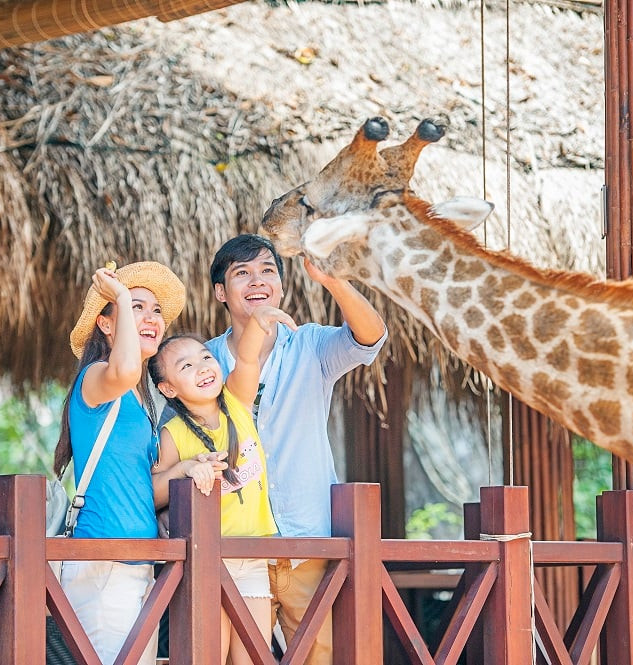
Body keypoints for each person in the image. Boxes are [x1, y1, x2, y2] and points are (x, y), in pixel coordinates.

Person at [206, 234, 387, 664]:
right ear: (220, 292)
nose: (258, 281)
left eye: (268, 271)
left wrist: (335, 281)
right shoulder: (204, 361)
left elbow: (371, 338)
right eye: (242, 273)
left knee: (320, 656)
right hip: (233, 548)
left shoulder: (310, 345)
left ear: (282, 287)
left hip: (307, 540)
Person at [52, 260, 224, 665]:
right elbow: (126, 367)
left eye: (156, 311)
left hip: (137, 562)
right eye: (136, 309)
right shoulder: (98, 378)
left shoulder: (139, 401)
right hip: (104, 562)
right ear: (106, 325)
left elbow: (142, 484)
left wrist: (182, 469)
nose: (151, 318)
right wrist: (120, 294)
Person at [149, 303, 296, 665]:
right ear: (168, 388)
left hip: (253, 556)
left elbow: (246, 361)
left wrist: (257, 327)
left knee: (253, 658)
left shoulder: (236, 402)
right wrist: (183, 468)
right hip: (206, 561)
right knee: (209, 656)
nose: (202, 368)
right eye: (186, 367)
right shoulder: (173, 433)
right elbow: (151, 491)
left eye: (204, 358)